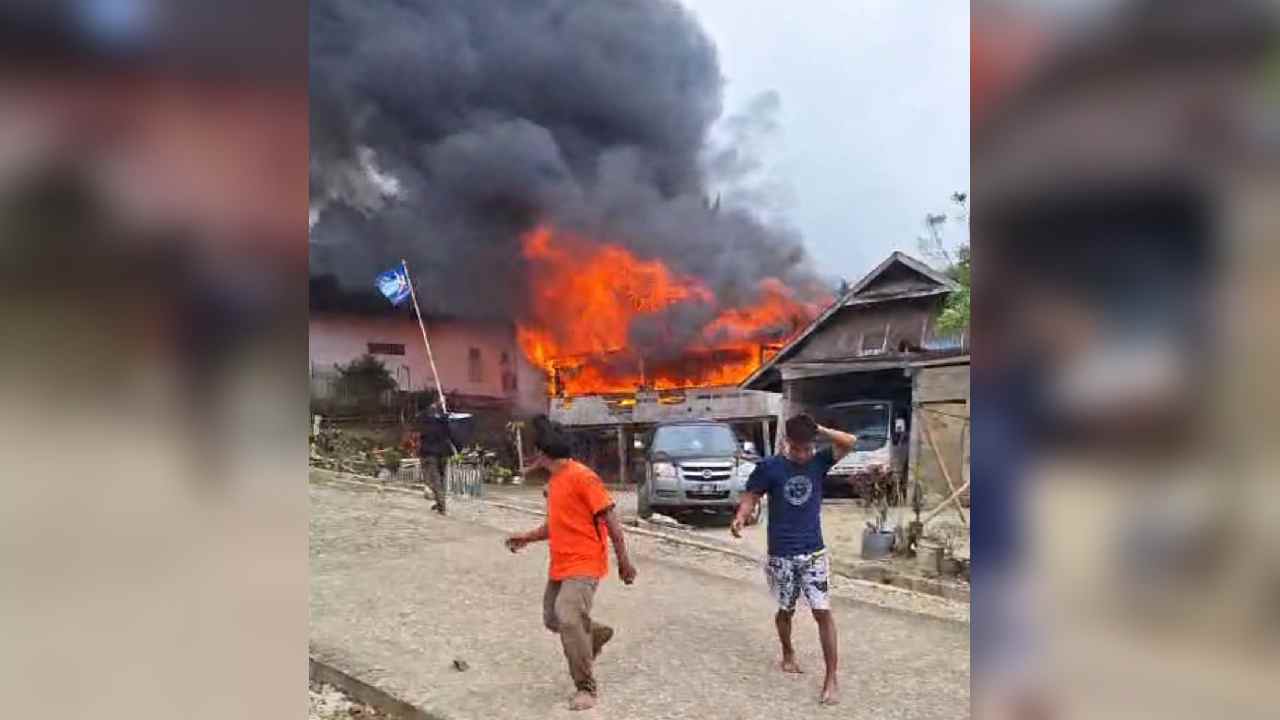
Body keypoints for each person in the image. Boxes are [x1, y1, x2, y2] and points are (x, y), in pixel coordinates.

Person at [504, 415, 638, 712]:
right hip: (561, 563)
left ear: (541, 454)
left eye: (534, 453)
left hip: (586, 562)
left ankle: (586, 688)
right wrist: (525, 537)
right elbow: (556, 526)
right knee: (553, 619)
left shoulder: (583, 477)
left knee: (567, 618)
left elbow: (612, 523)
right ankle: (596, 634)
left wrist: (624, 563)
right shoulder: (554, 484)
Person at [731, 413, 856, 706]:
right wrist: (740, 516)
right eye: (797, 449)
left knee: (822, 612)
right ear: (786, 443)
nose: (803, 455)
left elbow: (850, 442)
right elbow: (752, 495)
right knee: (785, 610)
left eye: (807, 448)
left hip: (814, 552)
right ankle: (787, 652)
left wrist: (820, 428)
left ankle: (831, 678)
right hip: (781, 554)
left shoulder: (819, 461)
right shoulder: (769, 468)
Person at [416, 403, 456, 515]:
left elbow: (421, 418)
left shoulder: (426, 421)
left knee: (435, 480)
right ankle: (439, 503)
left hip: (431, 454)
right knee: (440, 479)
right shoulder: (444, 422)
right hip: (442, 453)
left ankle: (441, 506)